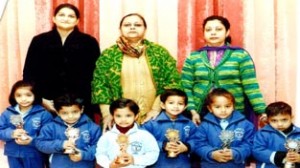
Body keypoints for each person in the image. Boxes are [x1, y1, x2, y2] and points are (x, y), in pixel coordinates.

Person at [91, 13, 181, 131]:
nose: (132, 27)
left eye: (137, 25)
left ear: (145, 29)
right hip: (120, 117)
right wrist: (107, 114)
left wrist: (156, 109)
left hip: (155, 116)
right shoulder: (109, 55)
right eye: (127, 25)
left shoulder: (159, 53)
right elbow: (100, 85)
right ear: (120, 29)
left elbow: (172, 82)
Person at [181, 15, 266, 125]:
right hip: (200, 114)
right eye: (208, 30)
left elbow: (251, 85)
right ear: (204, 33)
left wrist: (262, 111)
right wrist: (192, 111)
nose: (213, 33)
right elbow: (186, 86)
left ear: (227, 32)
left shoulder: (240, 55)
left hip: (233, 113)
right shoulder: (193, 57)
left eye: (218, 29)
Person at [23, 3, 100, 120]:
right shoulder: (39, 41)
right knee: (47, 135)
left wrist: (82, 102)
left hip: (80, 103)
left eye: (71, 16)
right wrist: (40, 99)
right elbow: (29, 73)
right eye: (62, 15)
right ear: (54, 18)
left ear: (77, 20)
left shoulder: (89, 42)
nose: (66, 18)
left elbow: (96, 75)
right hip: (46, 102)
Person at [35, 93, 101, 168]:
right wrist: (61, 144)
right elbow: (40, 143)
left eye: (75, 112)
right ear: (57, 112)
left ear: (82, 109)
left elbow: (99, 147)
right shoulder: (50, 127)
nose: (70, 116)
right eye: (65, 113)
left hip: (84, 165)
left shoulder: (92, 128)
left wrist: (83, 155)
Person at [195, 88, 255, 167]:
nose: (223, 110)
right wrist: (211, 154)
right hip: (210, 165)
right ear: (210, 108)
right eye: (217, 107)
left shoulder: (246, 124)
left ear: (233, 106)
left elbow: (250, 144)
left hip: (235, 165)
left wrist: (235, 153)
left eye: (227, 106)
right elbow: (198, 144)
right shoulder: (204, 125)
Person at [0, 80, 52, 168]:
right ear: (13, 96)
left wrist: (32, 140)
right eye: (19, 95)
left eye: (28, 95)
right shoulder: (8, 113)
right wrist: (11, 133)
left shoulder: (44, 114)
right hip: (13, 154)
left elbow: (48, 137)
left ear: (35, 95)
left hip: (34, 154)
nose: (23, 99)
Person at [142, 89, 198, 168]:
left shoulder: (189, 124)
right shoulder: (152, 123)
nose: (175, 106)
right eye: (171, 103)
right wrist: (162, 145)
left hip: (182, 164)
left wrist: (187, 147)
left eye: (180, 103)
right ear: (163, 105)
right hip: (158, 164)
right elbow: (143, 140)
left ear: (185, 106)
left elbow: (197, 140)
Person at [95, 98, 159, 168]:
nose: (123, 119)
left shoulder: (145, 135)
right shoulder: (107, 136)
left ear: (136, 116)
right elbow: (100, 154)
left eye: (128, 115)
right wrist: (110, 165)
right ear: (112, 116)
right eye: (118, 116)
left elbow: (153, 153)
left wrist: (134, 160)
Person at [252, 101, 300, 168]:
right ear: (268, 120)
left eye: (284, 120)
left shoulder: (298, 133)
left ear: (291, 117)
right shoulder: (263, 133)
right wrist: (281, 157)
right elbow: (257, 151)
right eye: (274, 120)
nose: (279, 124)